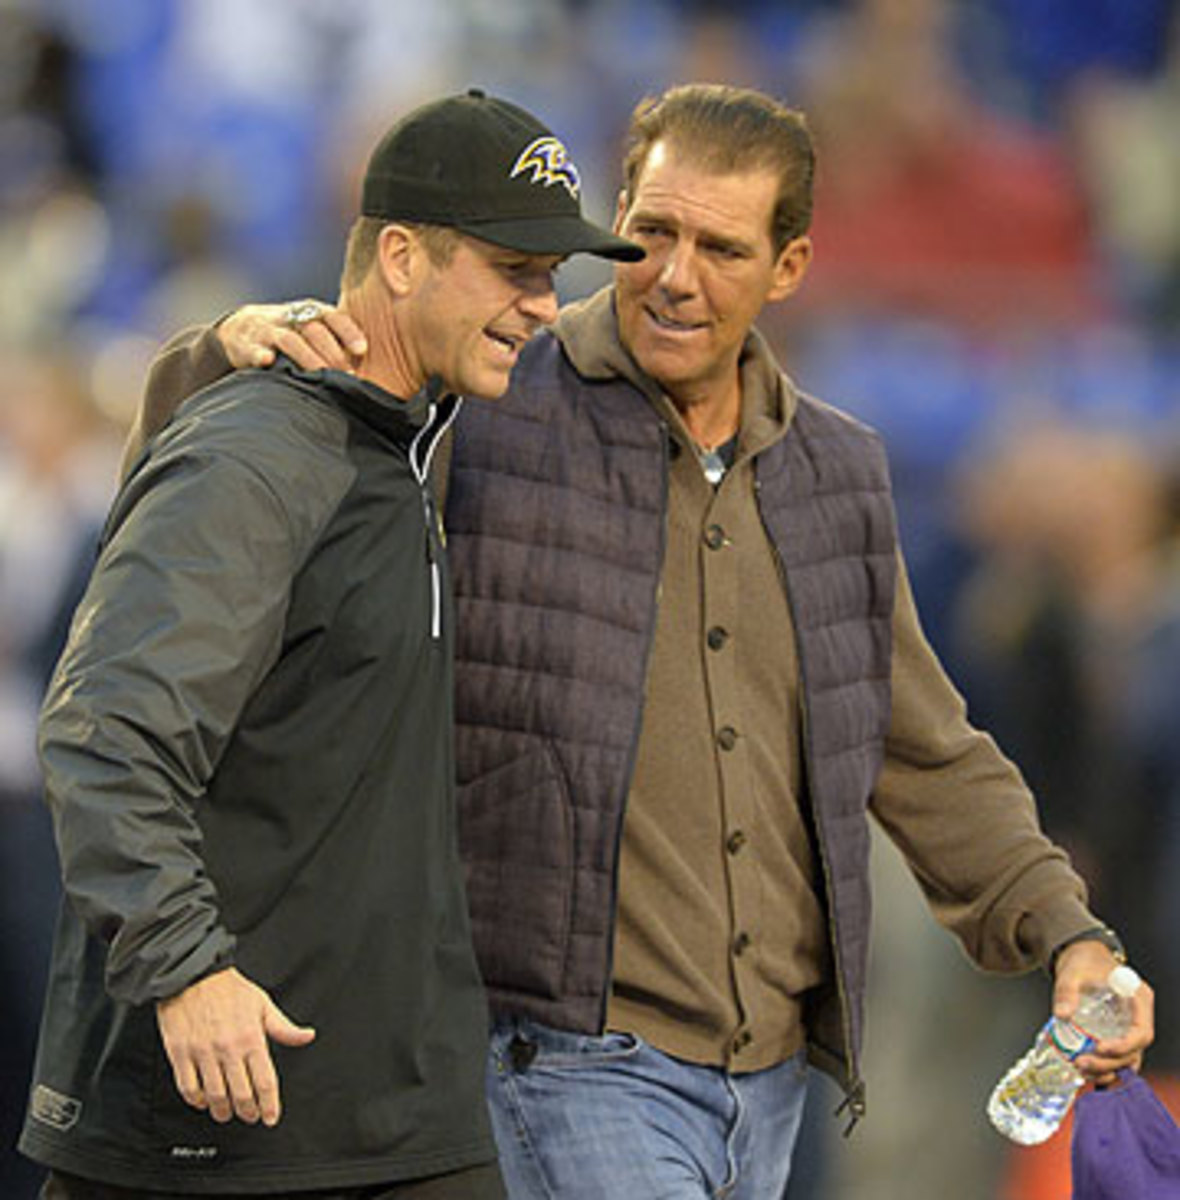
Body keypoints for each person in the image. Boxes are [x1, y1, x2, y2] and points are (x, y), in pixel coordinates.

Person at [126, 83, 1155, 1198]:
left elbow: (926, 750)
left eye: (719, 247)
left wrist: (1070, 938)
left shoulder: (839, 474)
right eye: (652, 233)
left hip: (775, 1089)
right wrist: (215, 356)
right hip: (553, 1060)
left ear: (791, 266)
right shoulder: (489, 396)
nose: (674, 274)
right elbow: (239, 484)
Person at [18, 88, 640, 1200]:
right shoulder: (264, 451)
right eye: (514, 271)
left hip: (387, 1113)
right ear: (401, 257)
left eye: (552, 277)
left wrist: (200, 357)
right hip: (217, 1111)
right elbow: (105, 729)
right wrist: (185, 966)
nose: (545, 307)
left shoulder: (409, 441)